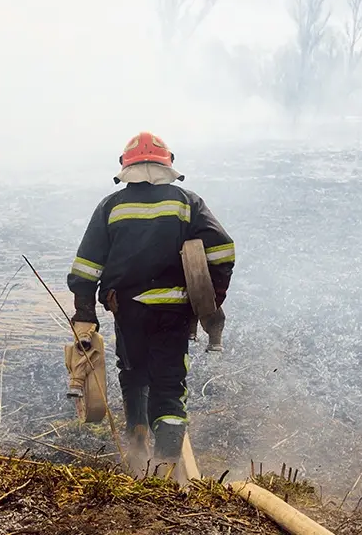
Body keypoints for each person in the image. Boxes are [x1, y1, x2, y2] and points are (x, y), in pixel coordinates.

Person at [66, 131, 235, 475]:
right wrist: (210, 300)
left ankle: (138, 442)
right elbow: (222, 250)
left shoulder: (111, 207)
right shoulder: (187, 203)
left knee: (133, 371)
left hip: (128, 311)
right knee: (170, 385)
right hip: (173, 312)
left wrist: (85, 315)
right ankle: (167, 467)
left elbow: (86, 265)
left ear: (125, 168)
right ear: (167, 165)